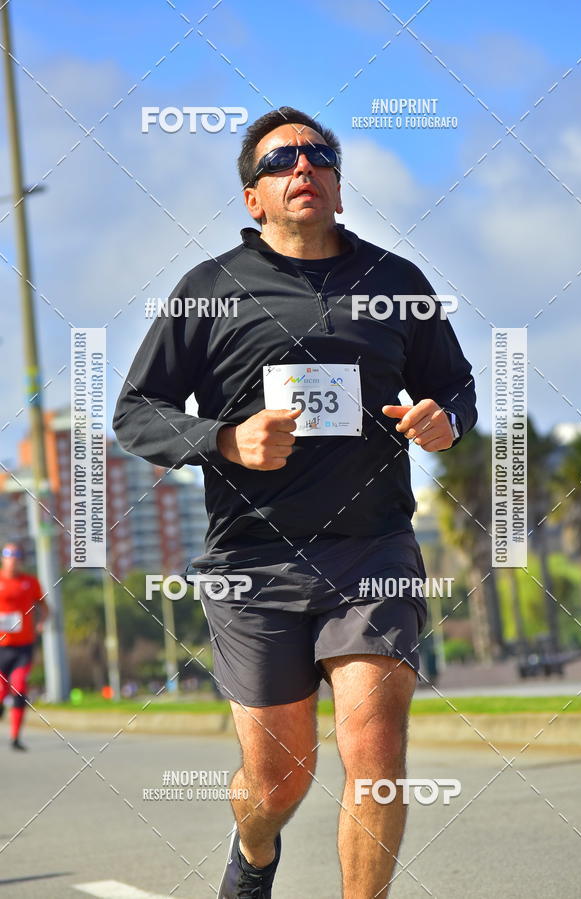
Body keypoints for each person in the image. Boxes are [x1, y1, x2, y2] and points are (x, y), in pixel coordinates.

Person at [113, 106, 477, 898]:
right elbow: (136, 413)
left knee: (375, 752)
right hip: (254, 562)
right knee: (278, 783)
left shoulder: (395, 283)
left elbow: (454, 385)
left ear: (339, 188)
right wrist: (224, 440)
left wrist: (445, 418)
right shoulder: (208, 292)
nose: (302, 167)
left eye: (318, 156)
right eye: (280, 161)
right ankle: (254, 854)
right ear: (254, 199)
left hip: (371, 549)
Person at [0, 541, 48, 750]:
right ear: (3, 559)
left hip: (23, 646)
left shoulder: (30, 581)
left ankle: (15, 737)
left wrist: (41, 621)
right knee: (1, 690)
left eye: (17, 559)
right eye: (10, 558)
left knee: (19, 687)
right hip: (1, 646)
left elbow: (44, 605)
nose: (13, 563)